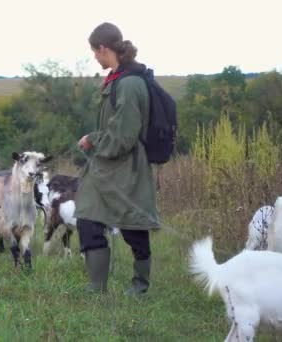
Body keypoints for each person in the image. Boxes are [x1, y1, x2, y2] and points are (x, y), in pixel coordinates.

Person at [75, 22, 160, 296]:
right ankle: (96, 288)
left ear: (103, 48)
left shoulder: (131, 83)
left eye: (94, 52)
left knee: (132, 226)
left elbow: (123, 136)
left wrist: (94, 140)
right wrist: (96, 136)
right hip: (106, 165)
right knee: (88, 217)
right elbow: (114, 127)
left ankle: (140, 287)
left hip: (127, 168)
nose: (94, 57)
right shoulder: (117, 78)